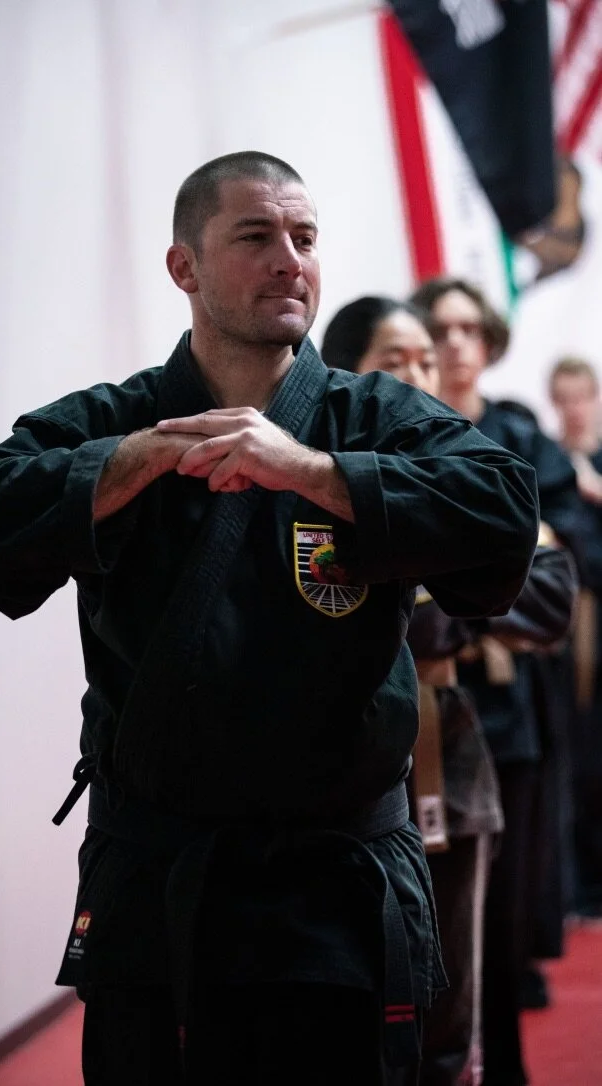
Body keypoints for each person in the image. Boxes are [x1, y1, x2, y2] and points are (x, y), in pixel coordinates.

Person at [0, 153, 540, 1086]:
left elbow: (501, 504)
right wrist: (127, 464)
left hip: (335, 890)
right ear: (184, 268)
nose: (289, 260)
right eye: (255, 237)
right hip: (163, 883)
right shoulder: (127, 418)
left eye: (303, 238)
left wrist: (310, 472)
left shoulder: (367, 416)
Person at [322, 296, 577, 1086]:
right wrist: (466, 589)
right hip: (348, 760)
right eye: (395, 361)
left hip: (467, 741)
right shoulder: (316, 473)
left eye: (426, 359)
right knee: (357, 985)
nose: (420, 375)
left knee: (474, 970)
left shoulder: (472, 467)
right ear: (346, 375)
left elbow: (552, 591)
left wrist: (424, 589)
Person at [410, 276, 583, 1086]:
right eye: (434, 332)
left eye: (464, 330)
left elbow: (558, 563)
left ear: (486, 342)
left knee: (503, 923)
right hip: (411, 714)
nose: (450, 346)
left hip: (507, 711)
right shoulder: (395, 433)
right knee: (425, 934)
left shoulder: (515, 435)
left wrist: (458, 580)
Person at [549, 356, 602, 919]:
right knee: (576, 752)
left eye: (580, 396)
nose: (573, 408)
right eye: (562, 397)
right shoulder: (550, 461)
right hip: (568, 625)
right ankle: (577, 882)